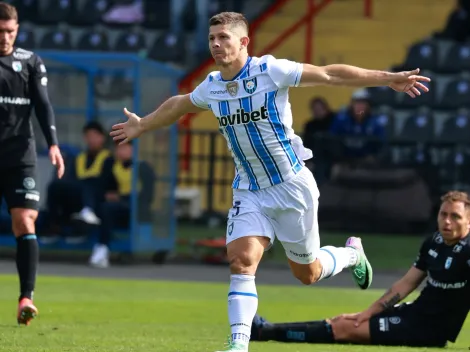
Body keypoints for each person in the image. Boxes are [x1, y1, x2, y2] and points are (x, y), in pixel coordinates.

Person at [109, 12, 431, 352]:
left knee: (308, 274)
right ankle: (238, 345)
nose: (216, 44)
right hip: (249, 189)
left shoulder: (270, 71)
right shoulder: (213, 86)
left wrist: (386, 78)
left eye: (223, 38)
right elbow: (181, 104)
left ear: (244, 42)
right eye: (211, 39)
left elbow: (328, 75)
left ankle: (350, 254)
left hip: (292, 187)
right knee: (241, 260)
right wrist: (142, 124)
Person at [251, 190, 470, 348]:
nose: (447, 222)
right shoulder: (433, 242)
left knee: (345, 329)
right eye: (443, 214)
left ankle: (264, 331)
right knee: (341, 322)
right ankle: (264, 329)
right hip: (414, 315)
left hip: (429, 329)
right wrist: (368, 312)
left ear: (468, 222)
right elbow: (405, 284)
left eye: (455, 217)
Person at [0, 2, 64, 325]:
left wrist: (53, 144)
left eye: (10, 31)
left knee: (25, 221)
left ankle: (27, 297)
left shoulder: (29, 62)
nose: (5, 38)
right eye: (0, 31)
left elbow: (43, 105)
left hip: (19, 156)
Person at [89, 142, 155, 268]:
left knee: (108, 208)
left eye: (124, 147)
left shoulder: (143, 167)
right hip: (114, 209)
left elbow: (147, 196)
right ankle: (100, 247)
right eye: (117, 148)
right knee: (103, 207)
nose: (119, 151)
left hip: (135, 210)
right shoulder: (111, 164)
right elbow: (103, 187)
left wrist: (122, 197)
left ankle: (102, 248)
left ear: (133, 149)